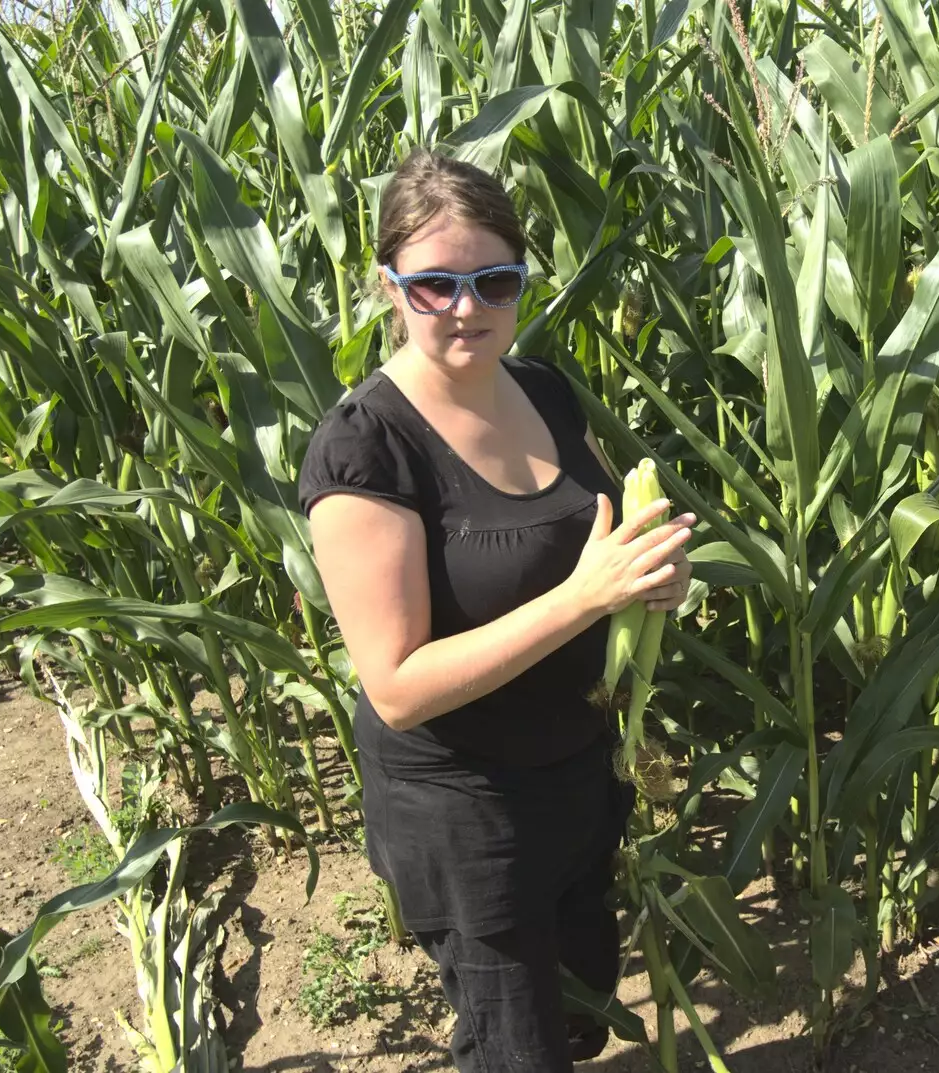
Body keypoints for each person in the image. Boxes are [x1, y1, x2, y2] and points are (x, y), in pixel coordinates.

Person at [298, 148, 694, 1072]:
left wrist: (646, 582)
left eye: (495, 280)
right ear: (389, 286)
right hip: (468, 808)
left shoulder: (546, 390)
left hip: (580, 778)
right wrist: (584, 597)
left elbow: (592, 547)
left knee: (578, 1011)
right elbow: (395, 685)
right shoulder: (367, 447)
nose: (468, 307)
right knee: (516, 1050)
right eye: (434, 285)